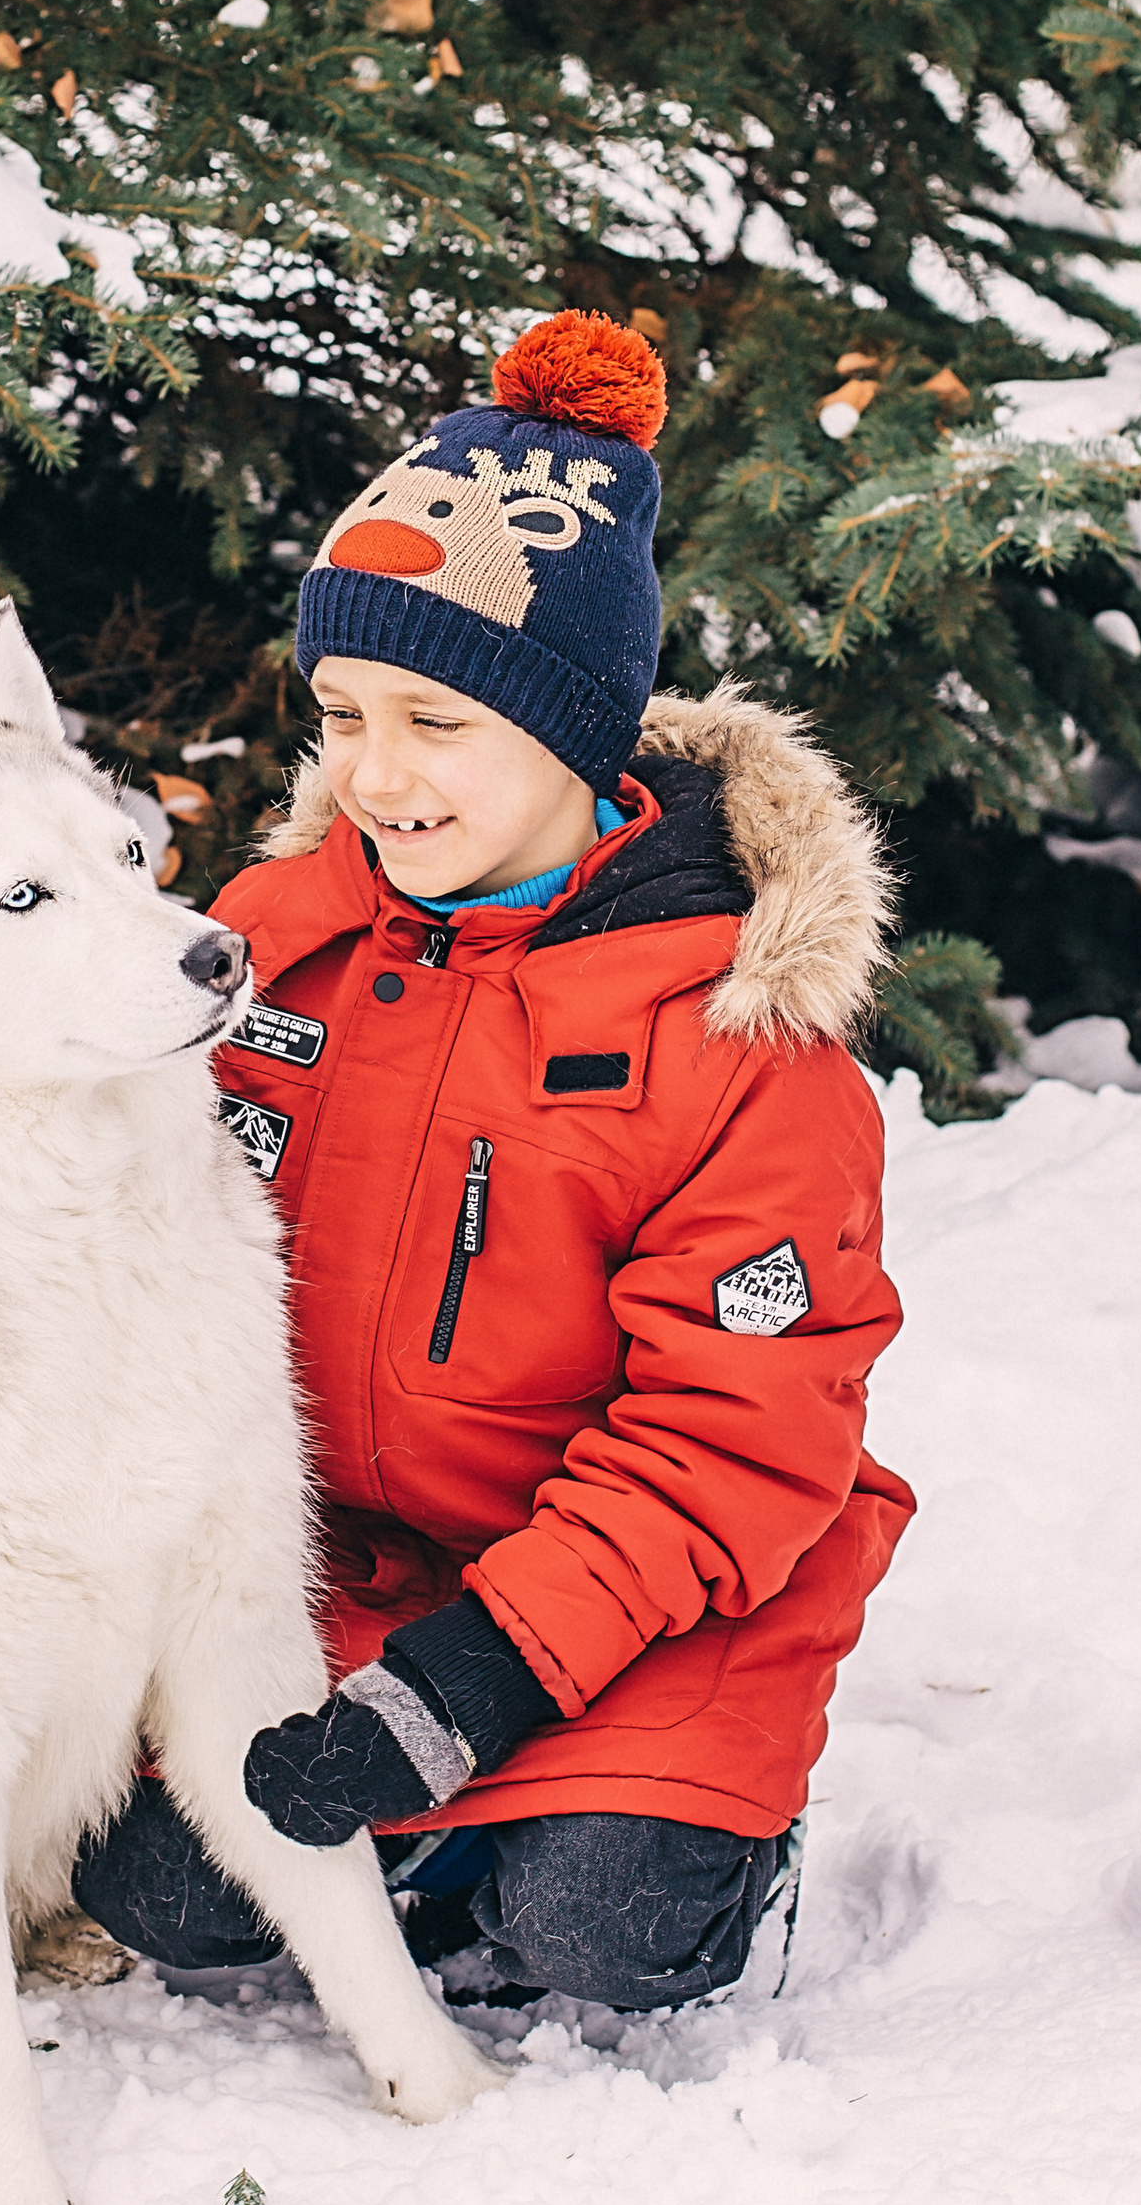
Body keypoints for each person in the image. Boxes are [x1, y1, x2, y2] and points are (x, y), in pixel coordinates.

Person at [74, 310, 910, 2014]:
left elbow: (728, 1444)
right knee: (161, 1893)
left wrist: (457, 1692)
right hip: (345, 1573)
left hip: (650, 1591)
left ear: (577, 725)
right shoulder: (270, 945)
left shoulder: (740, 1039)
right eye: (343, 714)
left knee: (609, 1928)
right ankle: (431, 1848)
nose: (372, 777)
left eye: (436, 722)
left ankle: (640, 1850)